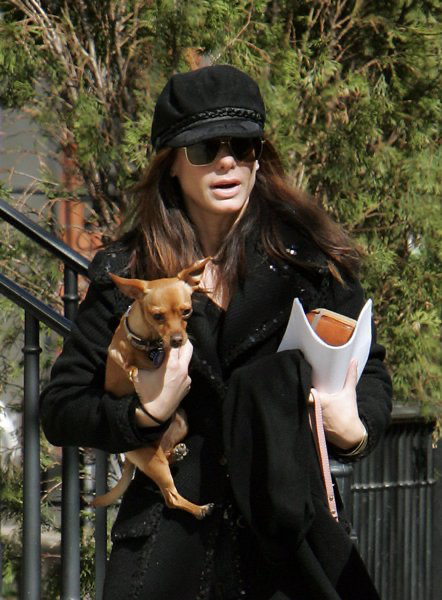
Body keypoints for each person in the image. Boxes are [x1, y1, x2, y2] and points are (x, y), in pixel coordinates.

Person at [40, 64, 392, 599]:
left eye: (243, 146)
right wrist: (143, 414)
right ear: (172, 164)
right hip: (166, 549)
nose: (227, 161)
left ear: (259, 159)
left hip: (288, 539)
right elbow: (62, 407)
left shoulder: (311, 262)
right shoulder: (130, 275)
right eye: (205, 148)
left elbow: (371, 373)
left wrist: (353, 427)